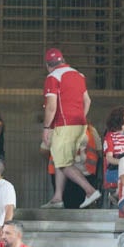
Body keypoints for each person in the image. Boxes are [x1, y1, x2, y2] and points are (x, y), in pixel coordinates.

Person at [41, 46, 98, 209]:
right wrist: (80, 118)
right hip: (80, 124)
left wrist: (46, 127)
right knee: (61, 159)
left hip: (64, 125)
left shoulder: (52, 77)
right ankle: (58, 197)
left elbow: (51, 107)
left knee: (62, 162)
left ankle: (90, 191)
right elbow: (87, 101)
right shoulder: (79, 75)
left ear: (48, 65)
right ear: (63, 60)